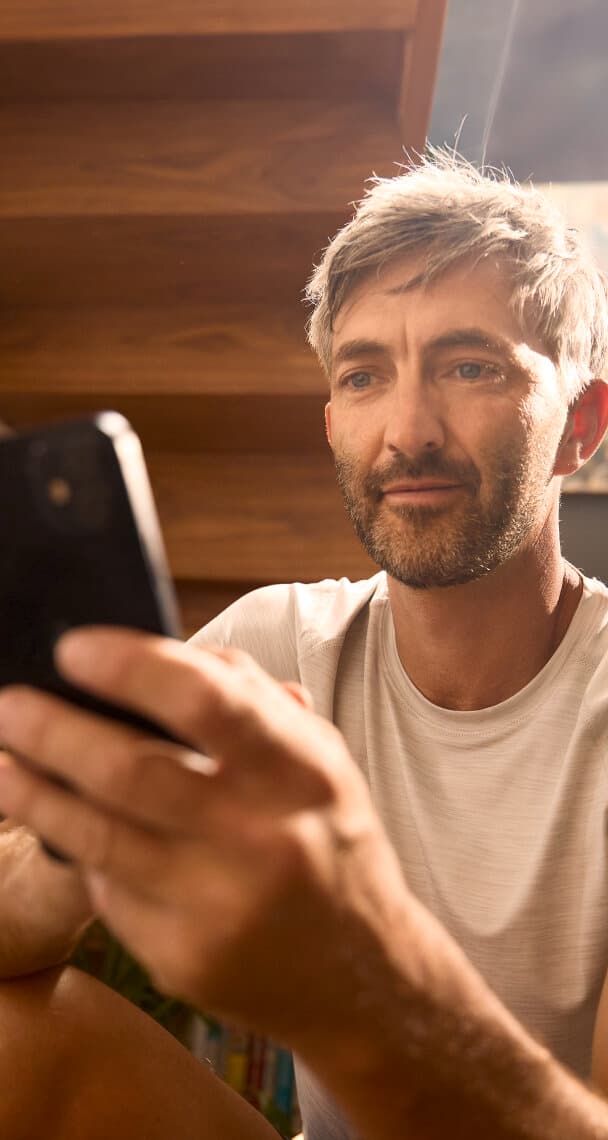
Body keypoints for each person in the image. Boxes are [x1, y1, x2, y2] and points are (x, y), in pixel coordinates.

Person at [0, 150, 608, 1139]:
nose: (405, 431)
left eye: (467, 367)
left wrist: (353, 981)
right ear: (331, 423)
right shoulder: (272, 643)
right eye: (364, 375)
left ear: (579, 428)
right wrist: (66, 862)